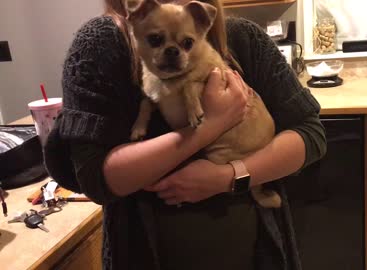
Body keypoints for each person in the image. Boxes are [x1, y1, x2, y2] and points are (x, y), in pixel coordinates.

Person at [44, 0, 327, 269]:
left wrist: (227, 177)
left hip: (256, 254)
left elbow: (310, 134)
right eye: (156, 39)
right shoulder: (99, 43)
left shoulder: (244, 37)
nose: (172, 49)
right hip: (146, 258)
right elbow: (95, 178)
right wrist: (209, 127)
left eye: (187, 43)